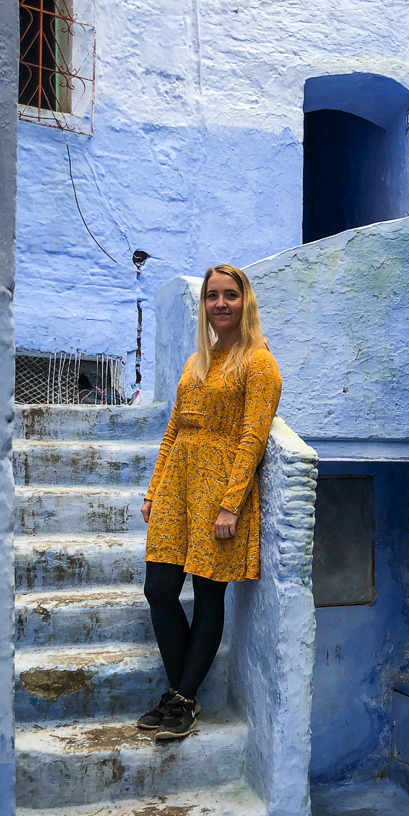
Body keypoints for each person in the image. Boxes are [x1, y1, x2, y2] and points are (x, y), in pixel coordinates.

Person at [137, 264, 282, 740]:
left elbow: (252, 439)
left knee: (208, 593)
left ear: (246, 302)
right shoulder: (195, 362)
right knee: (159, 589)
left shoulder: (259, 363)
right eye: (212, 296)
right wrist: (154, 490)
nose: (220, 304)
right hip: (179, 484)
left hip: (220, 491)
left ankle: (182, 697)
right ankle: (182, 693)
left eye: (230, 295)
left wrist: (231, 504)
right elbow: (174, 430)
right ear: (203, 305)